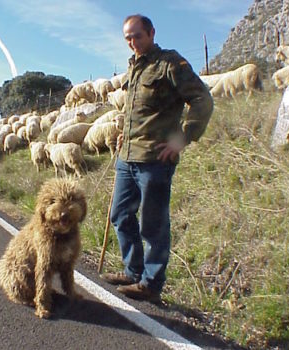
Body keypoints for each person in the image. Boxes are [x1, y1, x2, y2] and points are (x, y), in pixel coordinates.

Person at [100, 14, 213, 302]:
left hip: (154, 159)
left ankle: (151, 284)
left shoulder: (170, 64)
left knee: (153, 224)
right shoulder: (134, 69)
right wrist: (124, 133)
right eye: (127, 38)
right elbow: (137, 111)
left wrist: (181, 139)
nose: (132, 43)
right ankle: (133, 271)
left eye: (137, 36)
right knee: (120, 215)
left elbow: (202, 99)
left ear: (151, 33)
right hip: (128, 157)